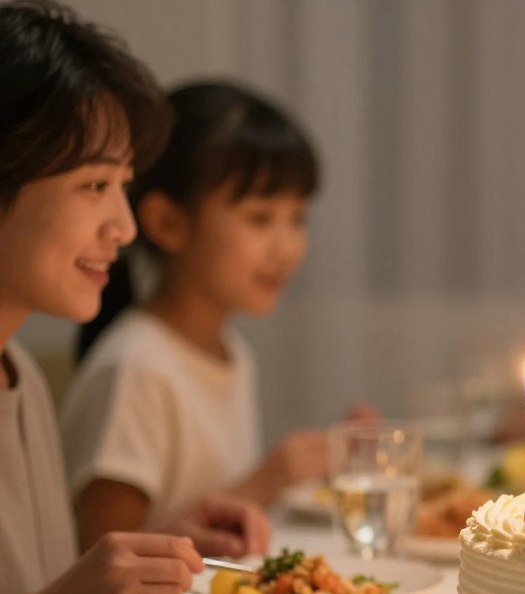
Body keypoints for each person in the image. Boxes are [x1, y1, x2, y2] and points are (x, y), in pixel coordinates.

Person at [0, 0, 267, 594]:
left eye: (123, 185)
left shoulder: (18, 369)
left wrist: (156, 551)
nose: (121, 226)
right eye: (93, 185)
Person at [61, 81, 368, 549]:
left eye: (297, 219)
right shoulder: (136, 367)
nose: (286, 248)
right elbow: (103, 559)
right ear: (169, 223)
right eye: (260, 218)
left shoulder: (231, 352)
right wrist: (266, 482)